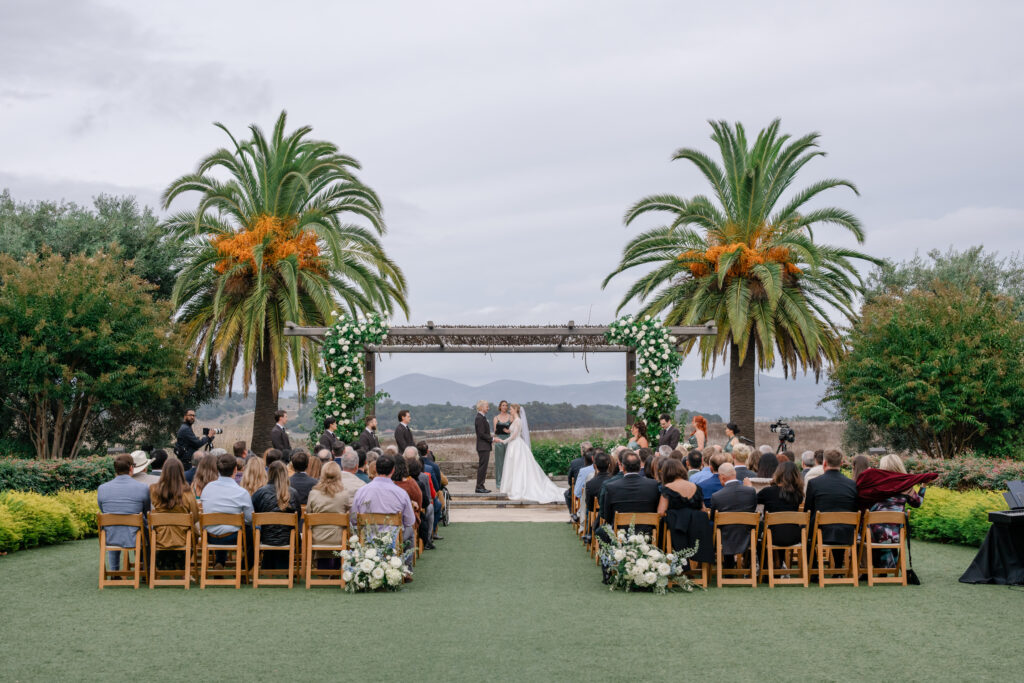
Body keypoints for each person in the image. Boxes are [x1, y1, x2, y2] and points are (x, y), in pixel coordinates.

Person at [862, 454, 927, 568]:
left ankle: (881, 566)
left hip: (874, 534)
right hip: (896, 534)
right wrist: (923, 486)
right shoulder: (906, 486)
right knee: (889, 531)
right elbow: (917, 503)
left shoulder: (876, 483)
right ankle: (889, 565)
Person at [498, 404, 566, 503]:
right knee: (513, 466)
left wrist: (504, 441)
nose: (510, 410)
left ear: (516, 410)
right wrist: (507, 430)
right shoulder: (515, 420)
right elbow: (512, 432)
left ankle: (518, 488)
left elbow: (514, 436)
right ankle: (511, 487)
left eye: (511, 409)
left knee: (518, 466)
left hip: (516, 445)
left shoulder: (518, 421)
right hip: (513, 446)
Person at [196, 452, 254, 567]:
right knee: (254, 530)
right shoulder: (241, 492)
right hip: (233, 537)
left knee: (220, 525)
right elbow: (250, 518)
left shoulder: (207, 489)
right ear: (235, 470)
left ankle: (219, 562)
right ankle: (244, 569)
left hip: (210, 536)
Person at [350, 453, 416, 551]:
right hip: (392, 539)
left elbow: (354, 519)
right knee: (410, 529)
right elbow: (409, 521)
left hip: (368, 538)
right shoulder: (401, 493)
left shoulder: (362, 491)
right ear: (393, 470)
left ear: (375, 469)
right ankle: (407, 565)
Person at [97, 454, 151, 571]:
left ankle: (114, 570)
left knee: (112, 525)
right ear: (131, 468)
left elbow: (103, 511)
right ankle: (145, 568)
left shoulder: (102, 488)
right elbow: (147, 511)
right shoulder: (143, 488)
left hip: (110, 537)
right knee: (147, 525)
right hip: (135, 537)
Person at [657, 459, 713, 564]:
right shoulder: (696, 487)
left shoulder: (667, 488)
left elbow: (661, 511)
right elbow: (703, 509)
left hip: (677, 530)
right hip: (697, 528)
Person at [149, 458, 199, 570]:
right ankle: (182, 568)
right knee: (194, 530)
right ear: (181, 472)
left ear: (164, 471)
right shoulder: (187, 493)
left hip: (160, 538)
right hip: (183, 538)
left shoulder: (153, 490)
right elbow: (195, 517)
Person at [805, 450, 858, 554]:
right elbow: (854, 508)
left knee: (804, 526)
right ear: (841, 463)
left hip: (820, 532)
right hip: (846, 532)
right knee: (839, 525)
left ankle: (813, 565)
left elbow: (808, 510)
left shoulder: (814, 483)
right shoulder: (852, 484)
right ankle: (838, 566)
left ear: (824, 463)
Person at [600, 451, 661, 537]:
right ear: (640, 467)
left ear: (623, 468)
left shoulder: (611, 487)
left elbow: (607, 516)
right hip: (647, 533)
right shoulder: (653, 485)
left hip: (620, 534)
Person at [251, 461, 299, 570]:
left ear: (269, 473)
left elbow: (253, 515)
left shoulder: (259, 493)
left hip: (265, 538)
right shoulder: (293, 493)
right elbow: (297, 517)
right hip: (288, 539)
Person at [709, 463, 758, 565]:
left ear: (722, 477)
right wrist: (750, 488)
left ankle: (728, 567)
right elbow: (753, 511)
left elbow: (713, 519)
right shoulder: (751, 492)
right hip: (747, 537)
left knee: (721, 529)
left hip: (725, 538)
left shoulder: (716, 496)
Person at [306, 461, 352, 568]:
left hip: (317, 538)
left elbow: (309, 513)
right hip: (339, 538)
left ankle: (323, 567)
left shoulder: (313, 493)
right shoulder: (344, 494)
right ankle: (337, 567)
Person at [757, 461, 804, 551]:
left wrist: (749, 488)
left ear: (778, 473)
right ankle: (780, 561)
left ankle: (763, 561)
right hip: (794, 536)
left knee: (758, 527)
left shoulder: (768, 492)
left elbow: (753, 501)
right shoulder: (798, 494)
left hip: (772, 536)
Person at [405, 449, 435, 550]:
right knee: (430, 508)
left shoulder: (397, 482)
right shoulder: (419, 482)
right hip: (412, 515)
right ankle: (428, 539)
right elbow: (425, 501)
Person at [584, 451, 612, 536]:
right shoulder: (615, 481)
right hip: (612, 514)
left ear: (595, 466)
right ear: (609, 465)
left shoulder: (590, 484)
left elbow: (589, 505)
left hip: (598, 513)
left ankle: (589, 532)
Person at [565, 441, 590, 519]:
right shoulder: (596, 461)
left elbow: (570, 479)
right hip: (592, 491)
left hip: (578, 491)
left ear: (582, 451)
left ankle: (573, 514)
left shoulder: (574, 462)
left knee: (567, 494)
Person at [474, 400, 494, 494]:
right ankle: (479, 486)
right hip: (483, 446)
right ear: (481, 407)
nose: (488, 408)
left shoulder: (482, 417)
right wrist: (492, 439)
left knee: (483, 467)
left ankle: (481, 485)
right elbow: (481, 434)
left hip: (484, 446)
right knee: (482, 467)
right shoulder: (479, 418)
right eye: (487, 406)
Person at [493, 400, 513, 489]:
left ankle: (509, 482)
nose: (504, 407)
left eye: (506, 405)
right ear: (500, 407)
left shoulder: (511, 417)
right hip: (499, 440)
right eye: (503, 405)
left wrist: (509, 431)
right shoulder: (496, 418)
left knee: (509, 462)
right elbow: (495, 431)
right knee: (499, 462)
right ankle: (499, 482)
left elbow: (514, 429)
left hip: (509, 440)